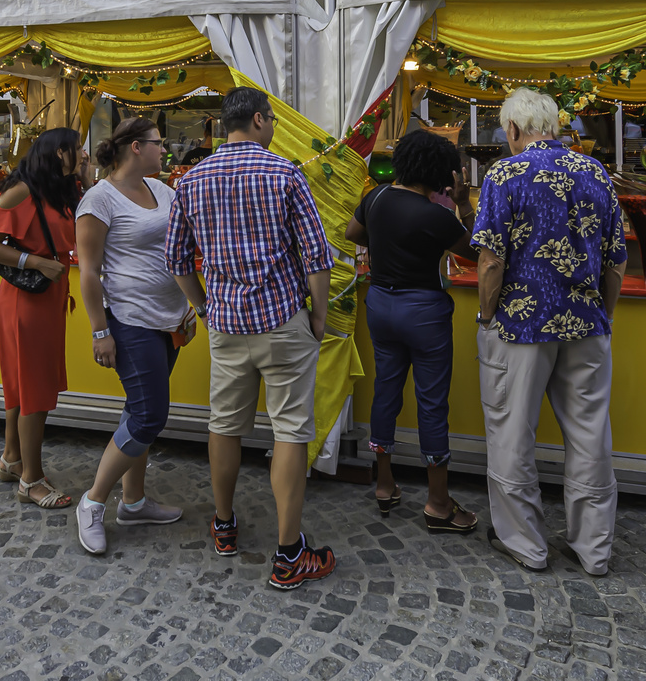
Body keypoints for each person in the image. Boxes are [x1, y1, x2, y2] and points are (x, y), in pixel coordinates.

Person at [166, 86, 337, 592]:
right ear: (260, 120)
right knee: (290, 431)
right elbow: (317, 257)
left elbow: (177, 261)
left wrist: (203, 306)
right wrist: (319, 319)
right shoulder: (285, 174)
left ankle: (223, 526)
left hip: (225, 324)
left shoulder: (191, 179)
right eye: (273, 122)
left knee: (225, 424)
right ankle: (289, 554)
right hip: (281, 320)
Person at [470, 87, 627, 576]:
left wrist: (486, 315)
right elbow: (617, 260)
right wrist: (604, 312)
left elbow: (491, 261)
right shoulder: (596, 171)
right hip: (586, 324)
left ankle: (526, 543)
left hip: (520, 325)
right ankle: (594, 550)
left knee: (512, 433)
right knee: (589, 435)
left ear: (513, 130)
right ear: (555, 127)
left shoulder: (506, 173)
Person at [345, 129, 478, 531]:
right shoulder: (435, 215)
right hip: (422, 310)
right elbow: (475, 253)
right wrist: (463, 204)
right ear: (440, 172)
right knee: (432, 403)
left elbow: (353, 235)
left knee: (387, 392)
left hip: (381, 306)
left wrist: (385, 242)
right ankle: (438, 502)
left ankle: (385, 485)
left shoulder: (376, 197)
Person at [72, 117, 192, 554]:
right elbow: (88, 272)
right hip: (128, 320)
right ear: (136, 147)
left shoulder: (163, 191)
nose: (167, 151)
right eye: (160, 144)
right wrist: (99, 330)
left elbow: (178, 252)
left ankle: (134, 501)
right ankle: (93, 502)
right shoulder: (98, 199)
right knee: (148, 416)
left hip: (168, 320)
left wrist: (188, 308)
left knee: (137, 412)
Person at [0, 127, 86, 509]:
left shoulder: (58, 190)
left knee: (23, 386)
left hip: (47, 299)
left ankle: (12, 458)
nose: (84, 155)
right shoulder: (21, 190)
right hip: (26, 302)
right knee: (33, 391)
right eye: (78, 150)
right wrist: (35, 261)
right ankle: (31, 481)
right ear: (58, 154)